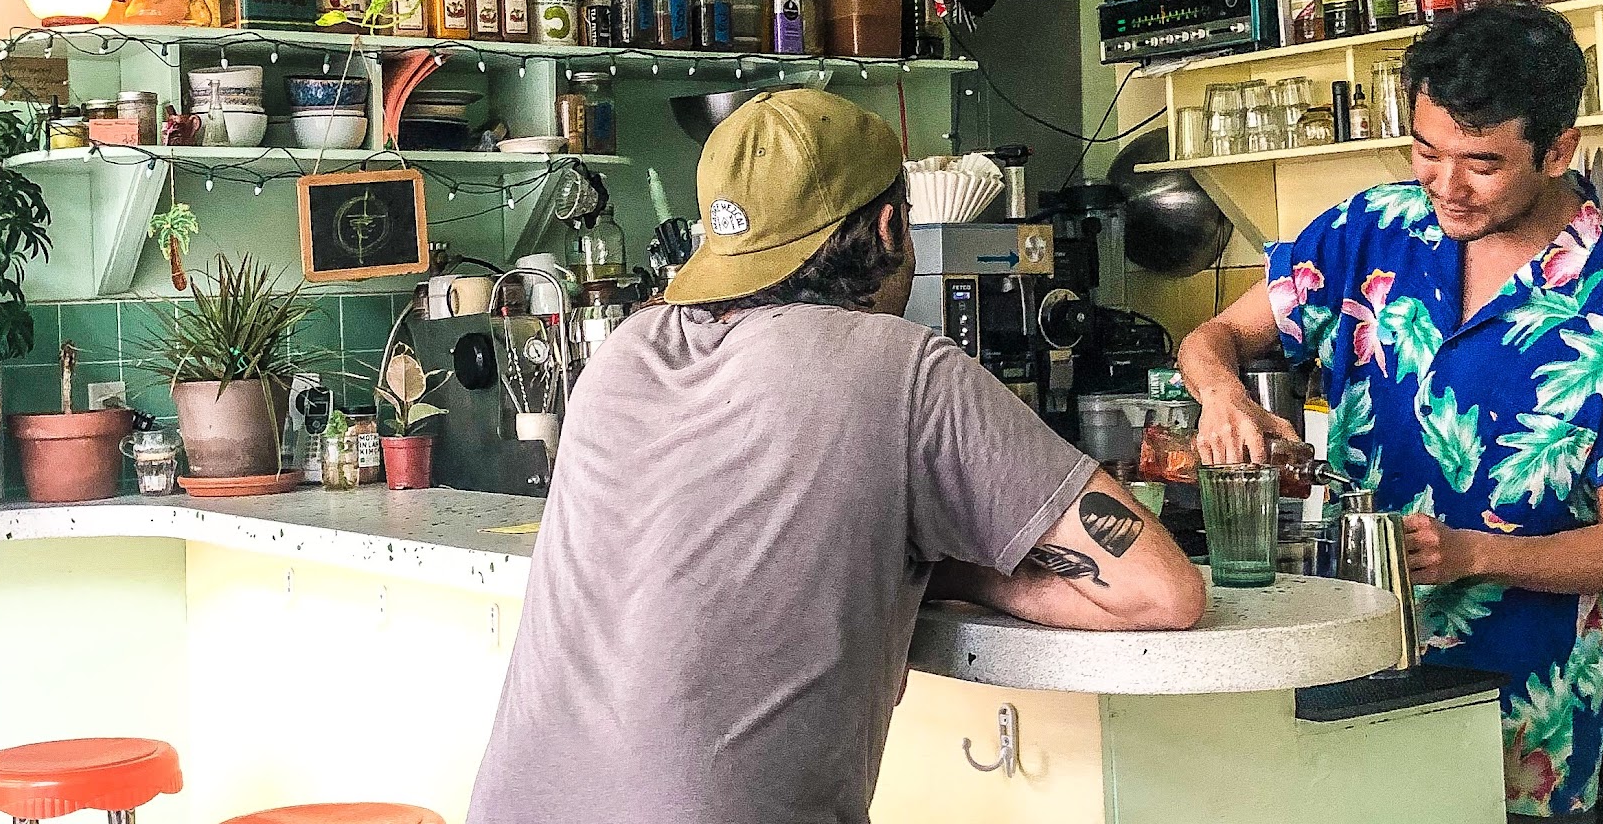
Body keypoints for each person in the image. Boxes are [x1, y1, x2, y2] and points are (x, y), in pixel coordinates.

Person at [470, 89, 1204, 824]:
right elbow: (1162, 592)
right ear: (890, 227)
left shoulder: (624, 353)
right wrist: (963, 573)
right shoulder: (904, 368)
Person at [1178, 2, 1603, 823]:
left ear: (1558, 149)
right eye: (1427, 152)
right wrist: (1223, 394)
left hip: (1524, 714)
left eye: (1482, 162)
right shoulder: (1372, 230)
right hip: (1348, 674)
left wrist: (1470, 554)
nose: (1446, 186)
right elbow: (1214, 338)